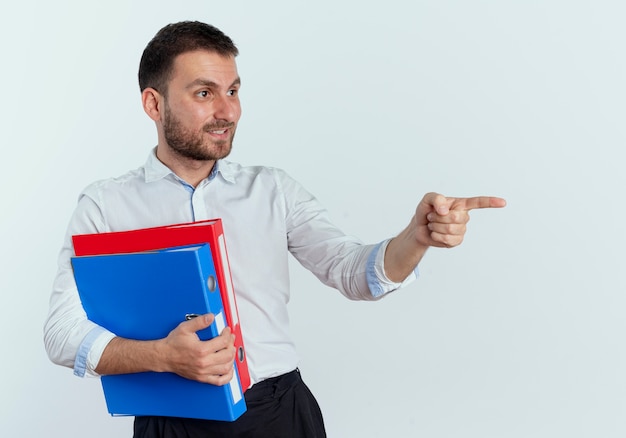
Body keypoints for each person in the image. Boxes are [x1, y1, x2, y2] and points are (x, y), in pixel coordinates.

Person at [44, 21, 506, 438]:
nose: (227, 111)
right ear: (153, 103)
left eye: (234, 90)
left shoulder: (272, 190)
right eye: (204, 93)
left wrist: (417, 237)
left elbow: (353, 271)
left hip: (278, 415)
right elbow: (61, 332)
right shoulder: (105, 205)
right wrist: (161, 357)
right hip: (169, 424)